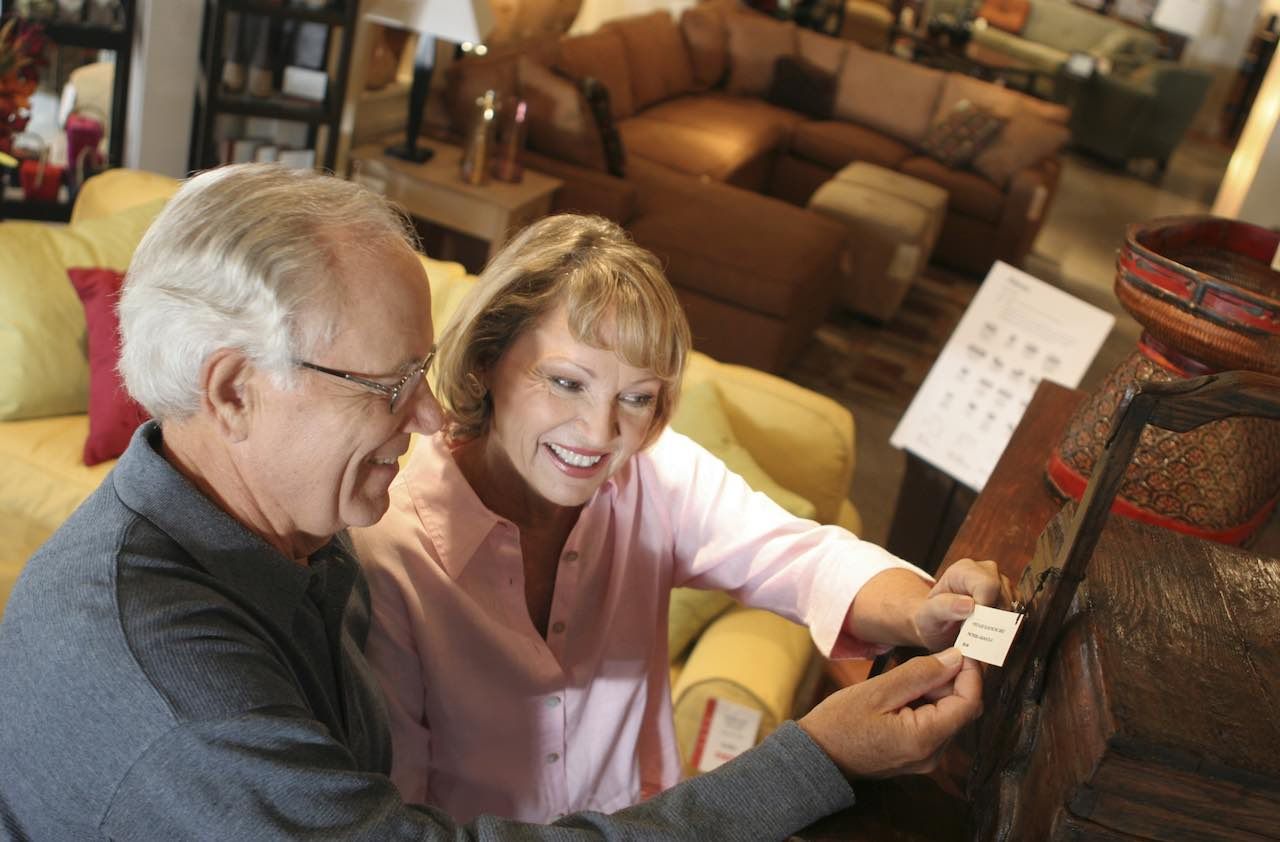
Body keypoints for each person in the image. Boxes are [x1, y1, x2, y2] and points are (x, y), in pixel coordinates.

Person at [0, 165, 984, 840]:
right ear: (231, 389)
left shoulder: (295, 541)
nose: (429, 416)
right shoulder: (179, 675)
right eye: (389, 384)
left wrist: (921, 605)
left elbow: (801, 555)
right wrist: (811, 758)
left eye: (421, 374)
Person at [352, 214, 1004, 823]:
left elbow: (806, 559)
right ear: (488, 359)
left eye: (635, 398)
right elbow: (402, 811)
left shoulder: (656, 474)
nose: (601, 432)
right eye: (567, 383)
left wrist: (925, 610)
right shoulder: (391, 555)